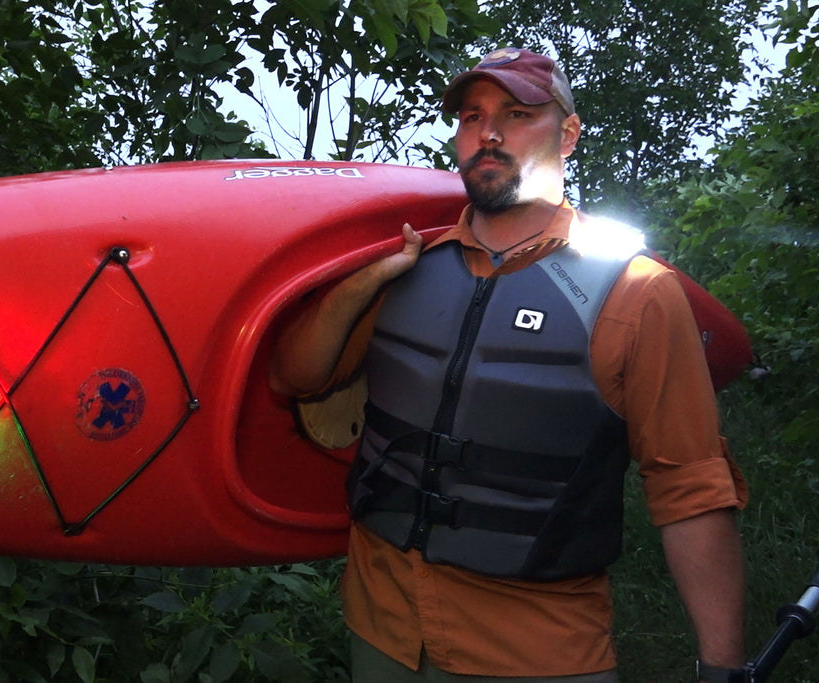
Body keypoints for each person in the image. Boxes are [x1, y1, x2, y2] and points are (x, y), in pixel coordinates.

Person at [269, 48, 749, 682]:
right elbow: (296, 381)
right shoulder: (407, 263)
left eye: (518, 114)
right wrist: (364, 283)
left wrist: (722, 667)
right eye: (472, 116)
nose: (488, 134)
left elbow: (689, 486)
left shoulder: (636, 292)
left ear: (568, 133)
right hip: (381, 625)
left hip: (536, 651)